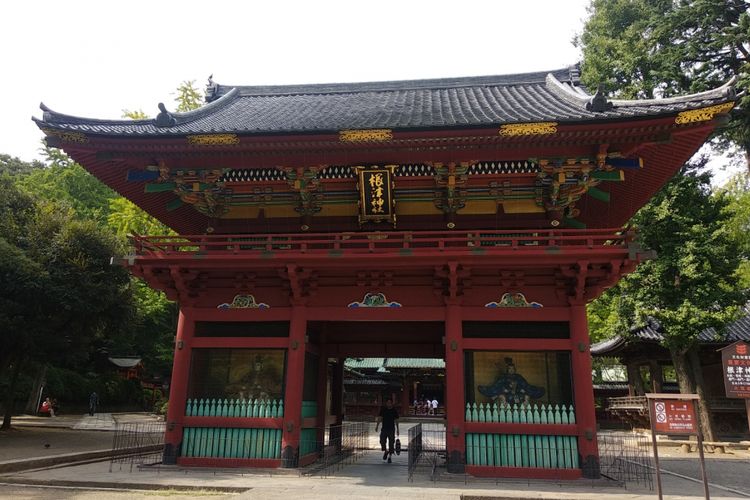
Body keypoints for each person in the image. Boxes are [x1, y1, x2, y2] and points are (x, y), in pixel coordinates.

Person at [375, 398, 399, 463]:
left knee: (391, 442)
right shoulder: (383, 410)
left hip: (391, 429)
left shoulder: (394, 410)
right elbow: (380, 418)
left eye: (390, 403)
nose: (389, 404)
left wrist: (398, 429)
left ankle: (390, 457)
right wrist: (377, 426)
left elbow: (396, 420)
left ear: (391, 403)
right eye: (387, 403)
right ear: (386, 403)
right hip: (384, 428)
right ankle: (386, 451)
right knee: (382, 441)